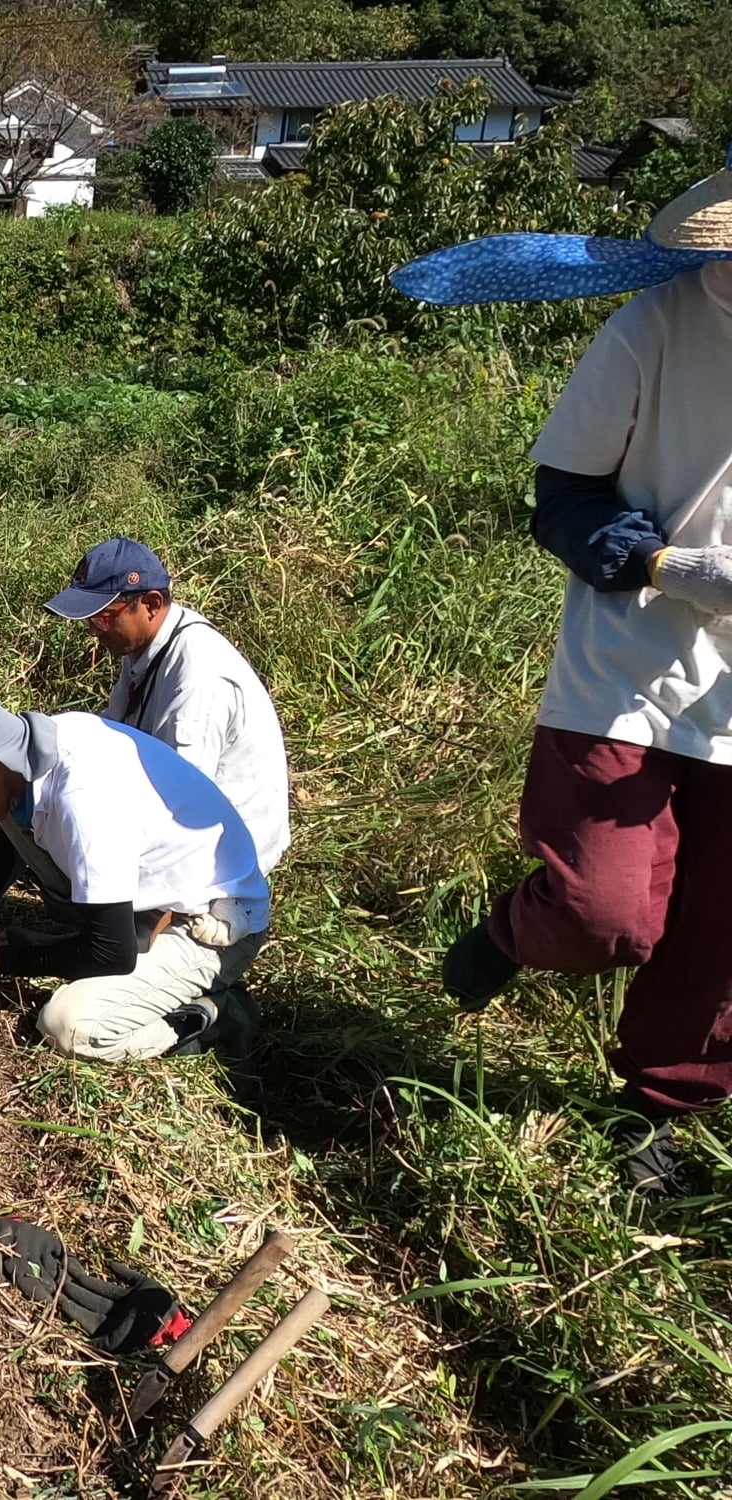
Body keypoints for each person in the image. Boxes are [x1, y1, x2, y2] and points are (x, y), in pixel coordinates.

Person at [394, 146, 732, 1195]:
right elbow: (564, 498)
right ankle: (514, 930)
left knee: (719, 932)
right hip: (627, 669)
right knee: (606, 912)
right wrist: (667, 563)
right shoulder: (655, 328)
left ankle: (657, 1107)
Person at [0, 676, 271, 1062]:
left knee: (69, 1025)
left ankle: (212, 1017)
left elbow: (112, 952)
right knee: (9, 817)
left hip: (215, 926)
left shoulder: (82, 800)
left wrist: (6, 959)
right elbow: (8, 854)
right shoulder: (38, 751)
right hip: (157, 904)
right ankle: (139, 947)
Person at [44, 538, 291, 874]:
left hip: (224, 855)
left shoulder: (198, 678)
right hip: (181, 812)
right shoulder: (145, 648)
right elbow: (107, 736)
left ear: (150, 604)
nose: (92, 632)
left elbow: (181, 803)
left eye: (101, 619)